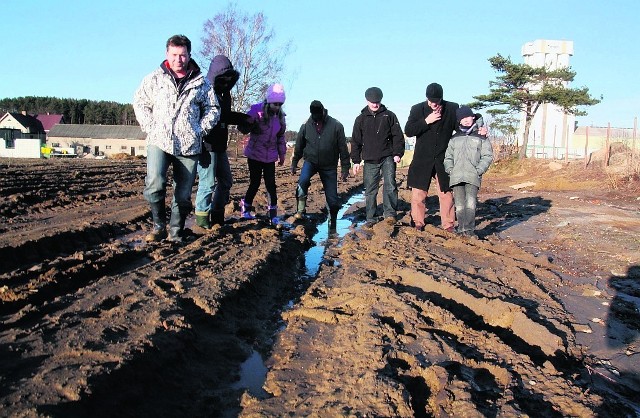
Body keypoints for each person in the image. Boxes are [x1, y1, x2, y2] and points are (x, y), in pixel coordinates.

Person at [133, 34, 219, 243]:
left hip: (189, 145)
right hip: (159, 141)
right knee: (154, 184)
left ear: (189, 55)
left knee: (182, 194)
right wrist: (150, 126)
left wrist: (199, 129)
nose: (178, 60)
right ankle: (158, 226)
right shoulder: (154, 79)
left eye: (182, 55)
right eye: (174, 55)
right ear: (166, 54)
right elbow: (139, 102)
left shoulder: (202, 83)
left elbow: (213, 109)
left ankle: (175, 232)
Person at [194, 55, 249, 229]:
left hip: (220, 145)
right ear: (215, 76)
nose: (226, 82)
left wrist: (244, 119)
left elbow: (224, 116)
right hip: (206, 145)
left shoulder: (226, 95)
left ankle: (217, 216)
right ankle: (202, 222)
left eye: (229, 79)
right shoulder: (204, 92)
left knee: (226, 181)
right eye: (223, 78)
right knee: (208, 183)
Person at [405, 82, 458, 232]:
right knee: (418, 193)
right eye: (431, 101)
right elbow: (409, 130)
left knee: (446, 193)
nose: (434, 104)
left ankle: (448, 224)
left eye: (437, 101)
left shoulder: (452, 108)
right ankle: (418, 222)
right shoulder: (417, 109)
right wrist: (426, 121)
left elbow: (462, 127)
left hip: (444, 158)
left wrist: (478, 127)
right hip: (422, 158)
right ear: (426, 98)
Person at [291, 100, 350, 231]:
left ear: (323, 111)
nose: (316, 119)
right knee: (302, 182)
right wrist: (295, 162)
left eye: (318, 116)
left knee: (332, 198)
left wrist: (345, 167)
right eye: (314, 116)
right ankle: (300, 211)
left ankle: (332, 223)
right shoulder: (306, 125)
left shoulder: (336, 125)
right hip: (310, 162)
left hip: (329, 165)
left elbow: (343, 148)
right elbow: (299, 145)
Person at [350, 87, 405, 226]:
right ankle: (371, 217)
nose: (375, 104)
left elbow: (398, 135)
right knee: (370, 189)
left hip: (387, 157)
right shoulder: (360, 119)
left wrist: (397, 153)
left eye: (377, 102)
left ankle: (390, 214)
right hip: (369, 159)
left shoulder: (389, 116)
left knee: (390, 185)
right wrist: (356, 161)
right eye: (372, 102)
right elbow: (355, 141)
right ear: (367, 101)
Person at [238, 83, 287, 225]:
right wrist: (248, 122)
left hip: (270, 156)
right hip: (255, 154)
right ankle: (245, 208)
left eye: (280, 104)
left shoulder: (280, 117)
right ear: (269, 101)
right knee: (255, 182)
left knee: (271, 184)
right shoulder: (256, 111)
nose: (277, 107)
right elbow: (244, 126)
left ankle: (273, 214)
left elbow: (280, 137)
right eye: (275, 104)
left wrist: (282, 154)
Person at [444, 106, 494, 237]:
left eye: (467, 117)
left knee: (471, 203)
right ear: (459, 121)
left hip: (473, 176)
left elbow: (487, 156)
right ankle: (461, 229)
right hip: (456, 177)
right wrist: (450, 169)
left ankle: (469, 230)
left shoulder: (481, 136)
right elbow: (448, 156)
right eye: (462, 118)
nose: (465, 120)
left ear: (473, 117)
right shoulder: (455, 137)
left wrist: (479, 170)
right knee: (459, 205)